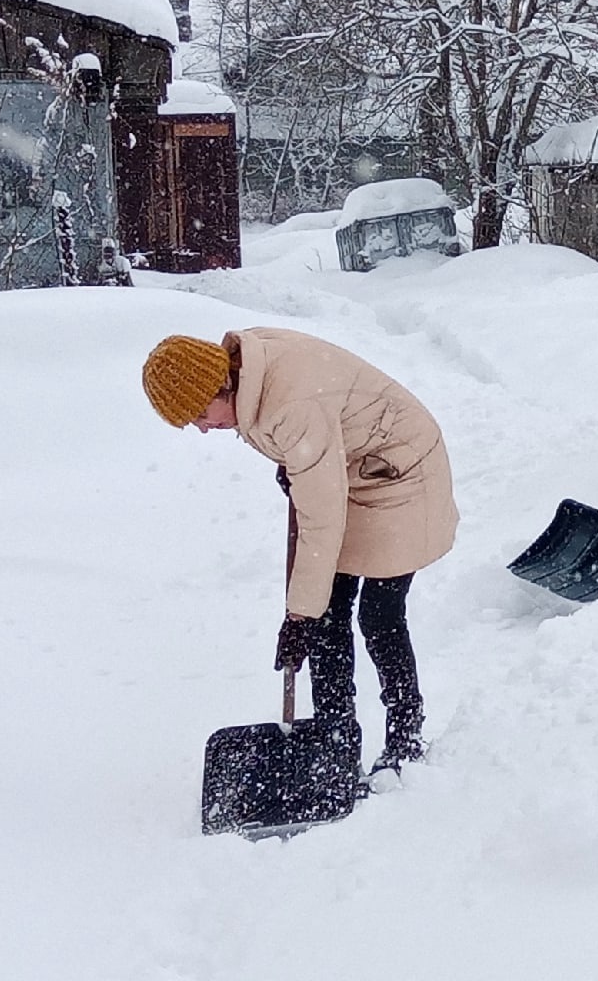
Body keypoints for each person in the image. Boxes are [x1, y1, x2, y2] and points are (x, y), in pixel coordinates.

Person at [141, 328, 459, 780]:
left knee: (378, 613)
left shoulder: (289, 405)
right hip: (353, 466)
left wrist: (297, 615)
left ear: (221, 385)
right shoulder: (249, 375)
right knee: (327, 615)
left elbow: (321, 520)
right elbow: (317, 437)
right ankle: (335, 739)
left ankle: (406, 736)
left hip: (402, 470)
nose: (203, 428)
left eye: (199, 414)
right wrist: (293, 462)